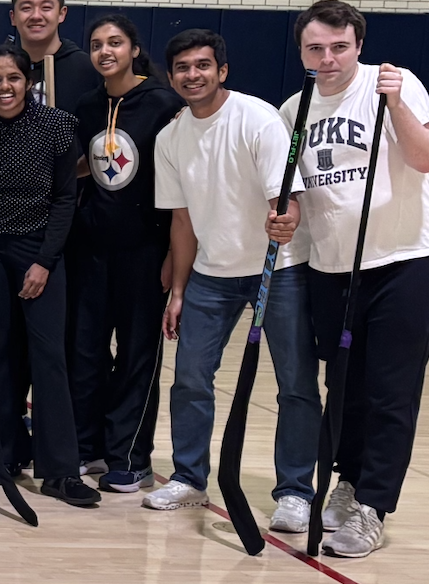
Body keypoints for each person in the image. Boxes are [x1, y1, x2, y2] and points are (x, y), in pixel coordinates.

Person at [283, 0, 429, 558]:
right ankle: (347, 479)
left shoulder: (391, 85)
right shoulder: (293, 109)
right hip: (333, 268)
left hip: (405, 262)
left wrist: (396, 105)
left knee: (391, 391)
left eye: (339, 47)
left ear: (358, 46)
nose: (328, 59)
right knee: (344, 387)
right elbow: (299, 196)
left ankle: (374, 504)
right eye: (315, 48)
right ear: (301, 49)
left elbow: (427, 159)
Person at [144, 29, 318, 532]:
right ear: (172, 76)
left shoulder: (257, 119)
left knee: (296, 386)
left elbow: (284, 201)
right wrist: (177, 291)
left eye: (202, 66)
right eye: (182, 68)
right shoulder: (171, 137)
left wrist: (286, 218)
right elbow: (181, 221)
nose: (192, 75)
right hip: (210, 277)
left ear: (221, 70)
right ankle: (189, 478)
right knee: (191, 379)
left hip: (277, 271)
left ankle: (293, 493)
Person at [0, 43, 97, 506]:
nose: (4, 87)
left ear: (28, 81)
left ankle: (60, 470)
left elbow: (67, 199)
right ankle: (8, 451)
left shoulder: (57, 127)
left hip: (40, 248)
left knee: (48, 358)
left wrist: (45, 262)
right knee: (1, 354)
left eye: (13, 78)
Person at [67, 14, 184, 492]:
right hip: (90, 250)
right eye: (96, 45)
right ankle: (87, 445)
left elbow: (179, 188)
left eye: (115, 43)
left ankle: (130, 456)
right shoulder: (88, 104)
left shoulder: (163, 104)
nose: (105, 52)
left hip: (144, 251)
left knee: (137, 356)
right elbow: (81, 168)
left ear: (134, 49)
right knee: (86, 353)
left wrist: (174, 259)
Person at [8, 0, 100, 110]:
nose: (36, 16)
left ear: (62, 14)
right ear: (13, 17)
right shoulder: (2, 67)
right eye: (26, 8)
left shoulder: (87, 69)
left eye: (46, 8)